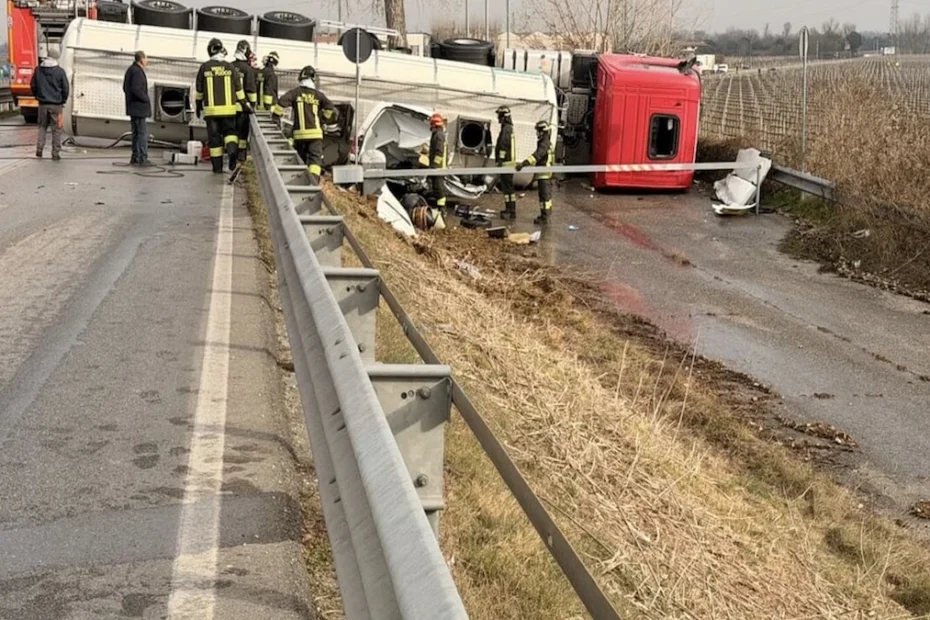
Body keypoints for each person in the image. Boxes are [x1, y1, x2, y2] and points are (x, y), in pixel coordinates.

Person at [273, 65, 337, 186]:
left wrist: (276, 117)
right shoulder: (318, 95)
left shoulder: (295, 93)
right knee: (314, 161)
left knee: (300, 160)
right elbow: (330, 107)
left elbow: (281, 102)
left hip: (299, 135)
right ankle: (313, 184)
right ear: (313, 79)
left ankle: (299, 183)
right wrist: (323, 120)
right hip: (315, 135)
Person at [195, 38, 249, 173]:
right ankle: (232, 152)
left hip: (211, 112)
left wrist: (198, 106)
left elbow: (199, 90)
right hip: (229, 110)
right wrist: (244, 104)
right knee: (230, 133)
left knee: (215, 140)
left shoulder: (204, 67)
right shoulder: (230, 67)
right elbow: (238, 88)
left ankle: (217, 167)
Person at [30, 50, 69, 161]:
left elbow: (33, 85)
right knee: (56, 129)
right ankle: (55, 153)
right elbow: (65, 88)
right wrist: (63, 100)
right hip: (57, 105)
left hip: (42, 104)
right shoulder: (60, 71)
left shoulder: (38, 70)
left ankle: (39, 149)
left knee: (42, 127)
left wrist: (37, 96)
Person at [516, 120, 555, 225]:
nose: (537, 133)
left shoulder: (544, 143)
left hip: (544, 175)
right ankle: (545, 215)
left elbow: (537, 156)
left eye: (538, 131)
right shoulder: (547, 142)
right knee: (545, 197)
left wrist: (523, 164)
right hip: (545, 174)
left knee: (545, 197)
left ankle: (545, 217)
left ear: (543, 131)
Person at [122, 50, 151, 166]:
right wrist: (146, 99)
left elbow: (125, 87)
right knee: (141, 134)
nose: (147, 61)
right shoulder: (137, 72)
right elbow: (136, 89)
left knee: (135, 133)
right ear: (141, 59)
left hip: (132, 107)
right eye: (146, 58)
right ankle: (142, 157)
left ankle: (135, 156)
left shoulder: (130, 70)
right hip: (139, 108)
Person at [231, 40, 257, 165]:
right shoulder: (247, 69)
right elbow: (251, 89)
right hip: (242, 108)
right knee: (242, 134)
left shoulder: (229, 66)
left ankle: (231, 154)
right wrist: (252, 105)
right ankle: (240, 156)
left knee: (231, 134)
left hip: (229, 108)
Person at [494, 105, 517, 219]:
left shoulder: (506, 129)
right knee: (508, 189)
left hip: (506, 164)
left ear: (503, 117)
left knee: (508, 189)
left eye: (499, 115)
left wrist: (500, 160)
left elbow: (504, 145)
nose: (498, 118)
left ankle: (511, 210)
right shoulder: (508, 128)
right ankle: (509, 209)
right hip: (508, 164)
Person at [428, 113, 448, 211]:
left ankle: (441, 208)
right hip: (438, 166)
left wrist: (434, 166)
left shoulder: (439, 135)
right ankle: (440, 205)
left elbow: (439, 152)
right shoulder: (438, 134)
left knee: (438, 187)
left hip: (439, 167)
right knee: (436, 186)